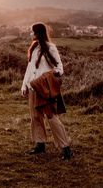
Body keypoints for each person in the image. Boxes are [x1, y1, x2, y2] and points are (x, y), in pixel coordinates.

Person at [21, 23, 72, 160]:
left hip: (45, 88)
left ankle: (65, 147)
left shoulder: (51, 47)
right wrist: (24, 85)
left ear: (38, 33)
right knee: (35, 117)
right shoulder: (33, 48)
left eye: (32, 32)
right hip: (33, 87)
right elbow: (29, 68)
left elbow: (59, 67)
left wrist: (53, 74)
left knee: (51, 117)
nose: (31, 34)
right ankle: (40, 144)